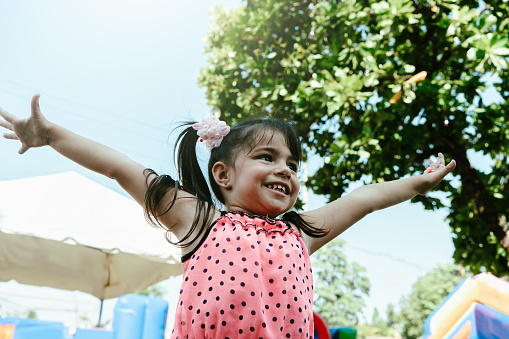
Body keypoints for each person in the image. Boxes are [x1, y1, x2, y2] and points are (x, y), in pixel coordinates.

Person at [0, 94, 455, 338]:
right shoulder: (198, 219)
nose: (284, 169)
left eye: (293, 165)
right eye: (267, 157)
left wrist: (416, 183)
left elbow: (365, 198)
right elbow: (119, 166)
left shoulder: (302, 234)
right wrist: (52, 134)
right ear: (222, 173)